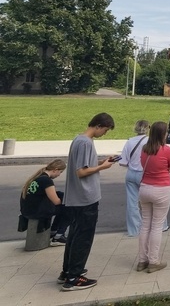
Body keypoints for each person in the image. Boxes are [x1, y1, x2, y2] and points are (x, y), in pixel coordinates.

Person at [58, 112, 116, 291]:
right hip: (85, 197)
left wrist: (99, 162)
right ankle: (74, 278)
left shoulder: (79, 139)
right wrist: (102, 167)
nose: (104, 134)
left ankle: (68, 271)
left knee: (75, 235)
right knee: (83, 237)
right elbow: (81, 172)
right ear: (98, 126)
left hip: (77, 198)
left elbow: (83, 165)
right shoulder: (85, 142)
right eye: (105, 130)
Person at [137, 121, 170, 273]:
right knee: (157, 225)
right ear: (163, 134)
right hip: (161, 188)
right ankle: (153, 260)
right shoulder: (166, 150)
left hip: (144, 188)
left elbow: (142, 165)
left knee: (145, 224)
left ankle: (142, 260)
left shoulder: (144, 149)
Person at [20, 159, 69, 246]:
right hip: (37, 212)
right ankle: (58, 235)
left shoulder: (36, 177)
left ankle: (54, 232)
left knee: (61, 195)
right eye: (60, 172)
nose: (59, 175)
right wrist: (67, 201)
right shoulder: (46, 181)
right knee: (69, 208)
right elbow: (56, 201)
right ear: (55, 169)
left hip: (27, 210)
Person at [119, 120, 149, 237]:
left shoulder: (130, 142)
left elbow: (123, 162)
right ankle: (158, 225)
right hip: (145, 173)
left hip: (131, 173)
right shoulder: (149, 141)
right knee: (151, 200)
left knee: (132, 202)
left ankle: (134, 230)